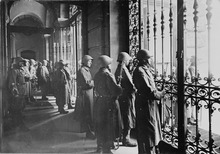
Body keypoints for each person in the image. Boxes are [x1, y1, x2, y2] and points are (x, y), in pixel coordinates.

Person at [133, 49, 165, 154]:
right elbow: (148, 89)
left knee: (152, 129)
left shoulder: (145, 69)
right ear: (144, 60)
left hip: (149, 103)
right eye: (149, 58)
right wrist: (160, 94)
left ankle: (151, 151)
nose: (151, 60)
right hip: (145, 103)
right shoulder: (140, 71)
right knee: (148, 130)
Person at [94, 55, 123, 153]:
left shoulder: (97, 74)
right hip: (108, 103)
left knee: (100, 125)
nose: (111, 66)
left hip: (99, 102)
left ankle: (100, 147)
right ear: (107, 65)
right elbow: (115, 90)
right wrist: (119, 86)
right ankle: (107, 149)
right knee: (108, 126)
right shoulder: (108, 74)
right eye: (110, 64)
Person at [115, 52, 137, 147]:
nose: (129, 62)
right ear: (124, 60)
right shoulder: (123, 69)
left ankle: (123, 137)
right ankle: (126, 139)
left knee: (125, 116)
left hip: (123, 96)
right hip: (127, 97)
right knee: (128, 117)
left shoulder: (119, 69)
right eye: (128, 60)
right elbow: (130, 85)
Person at [74, 55, 96, 139]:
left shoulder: (86, 70)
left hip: (88, 93)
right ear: (85, 61)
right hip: (85, 94)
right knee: (87, 112)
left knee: (89, 112)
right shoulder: (82, 70)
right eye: (89, 61)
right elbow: (88, 83)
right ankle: (88, 132)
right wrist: (94, 82)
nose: (91, 63)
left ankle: (90, 131)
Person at [8, 57, 29, 131]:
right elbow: (12, 82)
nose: (22, 63)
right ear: (17, 62)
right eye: (21, 62)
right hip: (18, 92)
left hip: (22, 91)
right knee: (17, 109)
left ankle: (19, 123)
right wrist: (15, 92)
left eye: (23, 62)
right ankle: (18, 124)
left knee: (21, 107)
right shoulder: (14, 71)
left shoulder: (20, 70)